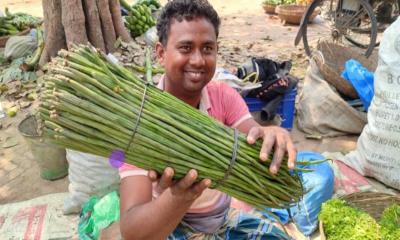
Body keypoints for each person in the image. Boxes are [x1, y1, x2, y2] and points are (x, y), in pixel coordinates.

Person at [119, 0, 297, 239]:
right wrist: (178, 197)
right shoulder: (140, 120)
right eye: (185, 48)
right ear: (161, 53)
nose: (198, 60)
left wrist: (273, 135)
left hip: (221, 220)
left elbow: (255, 137)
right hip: (166, 227)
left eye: (207, 48)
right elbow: (132, 232)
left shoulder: (223, 96)